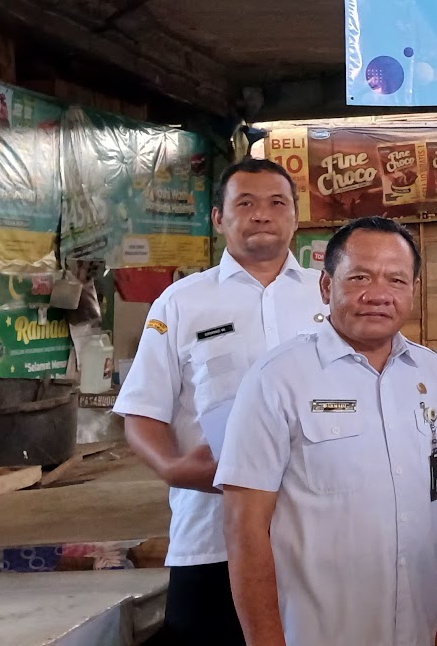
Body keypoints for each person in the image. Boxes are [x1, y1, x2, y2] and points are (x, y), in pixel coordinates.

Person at [216, 217, 437, 646]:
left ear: (413, 289)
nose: (378, 294)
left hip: (422, 627)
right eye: (360, 278)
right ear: (326, 286)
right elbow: (244, 527)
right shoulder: (277, 380)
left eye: (396, 279)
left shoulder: (435, 375)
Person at [113, 158, 327, 645]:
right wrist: (172, 468)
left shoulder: (329, 297)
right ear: (218, 218)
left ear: (296, 216)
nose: (262, 214)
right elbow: (142, 413)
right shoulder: (181, 302)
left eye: (277, 203)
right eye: (245, 203)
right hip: (210, 540)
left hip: (323, 536)